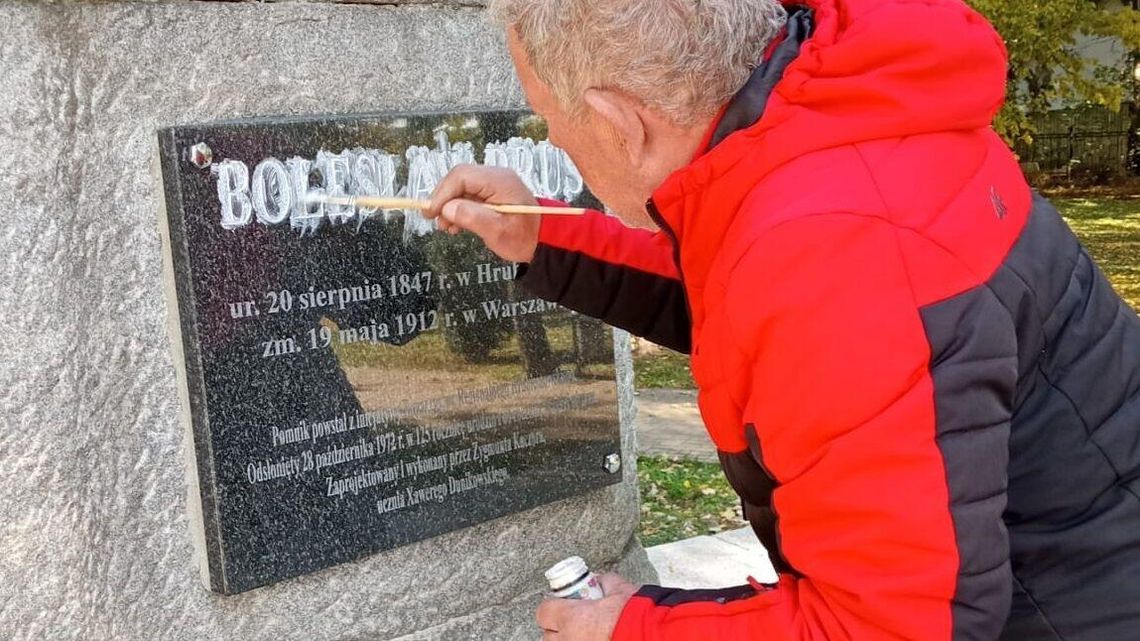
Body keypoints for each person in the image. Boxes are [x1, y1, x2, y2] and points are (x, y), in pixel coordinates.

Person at [423, 0, 1140, 639]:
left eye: (552, 121)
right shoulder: (820, 117)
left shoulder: (832, 256)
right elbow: (732, 285)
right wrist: (541, 235)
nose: (555, 141)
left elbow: (893, 624)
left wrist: (632, 625)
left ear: (620, 122)